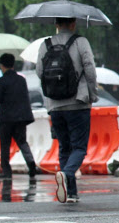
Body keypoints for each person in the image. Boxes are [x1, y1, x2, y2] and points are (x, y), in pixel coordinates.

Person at [36, 17, 98, 204]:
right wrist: (92, 93)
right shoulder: (80, 42)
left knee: (64, 147)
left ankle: (71, 193)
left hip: (55, 104)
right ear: (73, 24)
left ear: (56, 25)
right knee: (79, 147)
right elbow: (90, 69)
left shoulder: (44, 45)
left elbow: (40, 72)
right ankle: (67, 173)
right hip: (77, 101)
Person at [0, 53, 37, 179]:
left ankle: (7, 171)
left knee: (5, 145)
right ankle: (31, 165)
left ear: (2, 66)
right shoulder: (21, 79)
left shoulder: (1, 81)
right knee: (22, 142)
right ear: (13, 64)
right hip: (20, 118)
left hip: (6, 119)